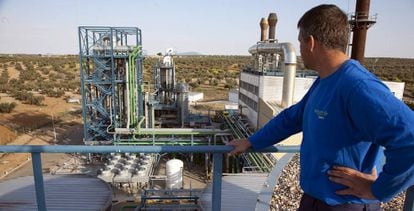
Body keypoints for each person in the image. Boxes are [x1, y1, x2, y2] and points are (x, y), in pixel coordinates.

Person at [227, 4, 414, 210]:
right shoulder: (325, 80)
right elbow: (293, 117)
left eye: (300, 43)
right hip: (316, 199)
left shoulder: (357, 87)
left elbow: (410, 139)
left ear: (311, 43)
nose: (299, 51)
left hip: (345, 204)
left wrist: (379, 189)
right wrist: (252, 141)